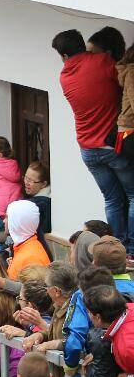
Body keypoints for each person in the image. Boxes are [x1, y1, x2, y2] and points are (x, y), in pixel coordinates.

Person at [54, 29, 132, 252]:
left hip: (88, 149)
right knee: (133, 195)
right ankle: (132, 249)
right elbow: (123, 83)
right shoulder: (103, 62)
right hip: (112, 146)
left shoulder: (65, 76)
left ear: (64, 56)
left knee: (112, 199)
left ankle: (116, 246)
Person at [5, 200, 49, 279]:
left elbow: (32, 290)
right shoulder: (24, 246)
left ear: (17, 221)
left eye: (7, 217)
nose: (3, 221)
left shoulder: (32, 257)